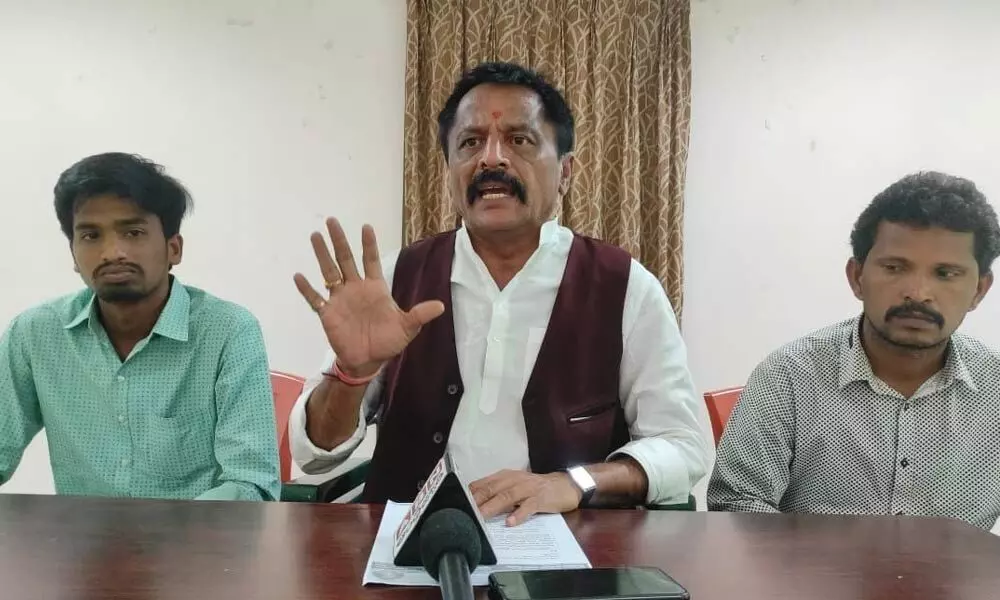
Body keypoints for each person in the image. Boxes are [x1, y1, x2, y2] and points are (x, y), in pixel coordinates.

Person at [289, 61, 708, 525]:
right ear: (449, 169)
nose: (492, 158)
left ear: (566, 172)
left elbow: (682, 446)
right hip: (412, 554)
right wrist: (350, 375)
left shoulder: (625, 287)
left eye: (519, 140)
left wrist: (574, 482)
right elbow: (316, 455)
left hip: (570, 561)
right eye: (470, 143)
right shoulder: (394, 280)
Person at [707, 171, 1000, 529]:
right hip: (813, 580)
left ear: (980, 290)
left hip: (955, 585)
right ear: (857, 277)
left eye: (946, 274)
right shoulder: (790, 374)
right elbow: (735, 502)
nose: (918, 292)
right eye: (895, 268)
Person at [0, 152, 280, 501]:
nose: (112, 252)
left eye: (132, 232)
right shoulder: (35, 335)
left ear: (173, 248)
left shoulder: (228, 331)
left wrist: (156, 542)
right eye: (90, 236)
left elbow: (251, 485)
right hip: (78, 551)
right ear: (73, 254)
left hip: (197, 548)